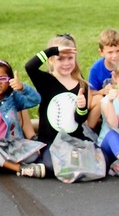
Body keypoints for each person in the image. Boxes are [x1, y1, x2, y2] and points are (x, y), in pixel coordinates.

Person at [24, 34, 90, 177]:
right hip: (50, 140)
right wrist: (52, 50)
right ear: (52, 60)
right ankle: (42, 163)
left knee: (99, 158)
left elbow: (80, 120)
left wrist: (82, 108)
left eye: (70, 58)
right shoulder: (46, 80)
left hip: (75, 138)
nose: (66, 63)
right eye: (60, 58)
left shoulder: (81, 84)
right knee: (51, 166)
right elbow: (30, 66)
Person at [87, 29, 119, 127]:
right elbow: (91, 93)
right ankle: (90, 129)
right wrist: (102, 91)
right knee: (99, 99)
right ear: (101, 52)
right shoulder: (96, 68)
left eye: (118, 51)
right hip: (105, 105)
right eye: (110, 52)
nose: (115, 55)